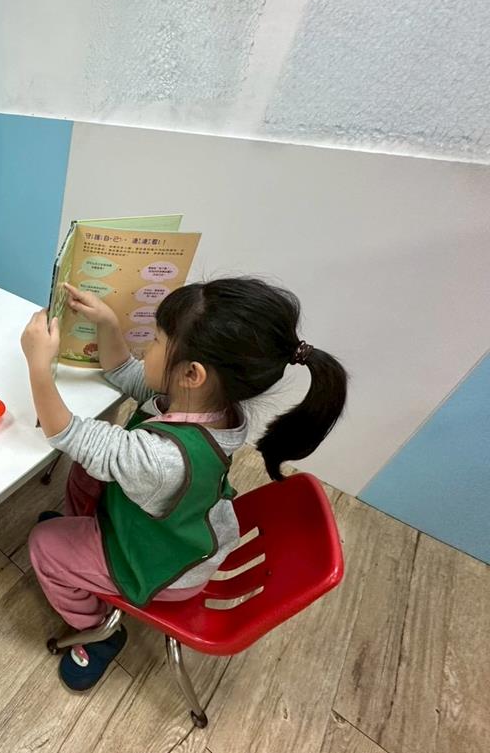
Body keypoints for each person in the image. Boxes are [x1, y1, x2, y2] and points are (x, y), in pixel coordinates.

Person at [20, 278, 348, 690]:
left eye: (157, 340)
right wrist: (107, 325)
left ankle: (97, 631)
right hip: (172, 529)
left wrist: (38, 366)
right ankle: (84, 547)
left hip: (160, 567)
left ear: (192, 374)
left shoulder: (164, 461)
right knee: (86, 475)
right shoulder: (209, 404)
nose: (147, 348)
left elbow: (70, 436)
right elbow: (128, 375)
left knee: (43, 544)